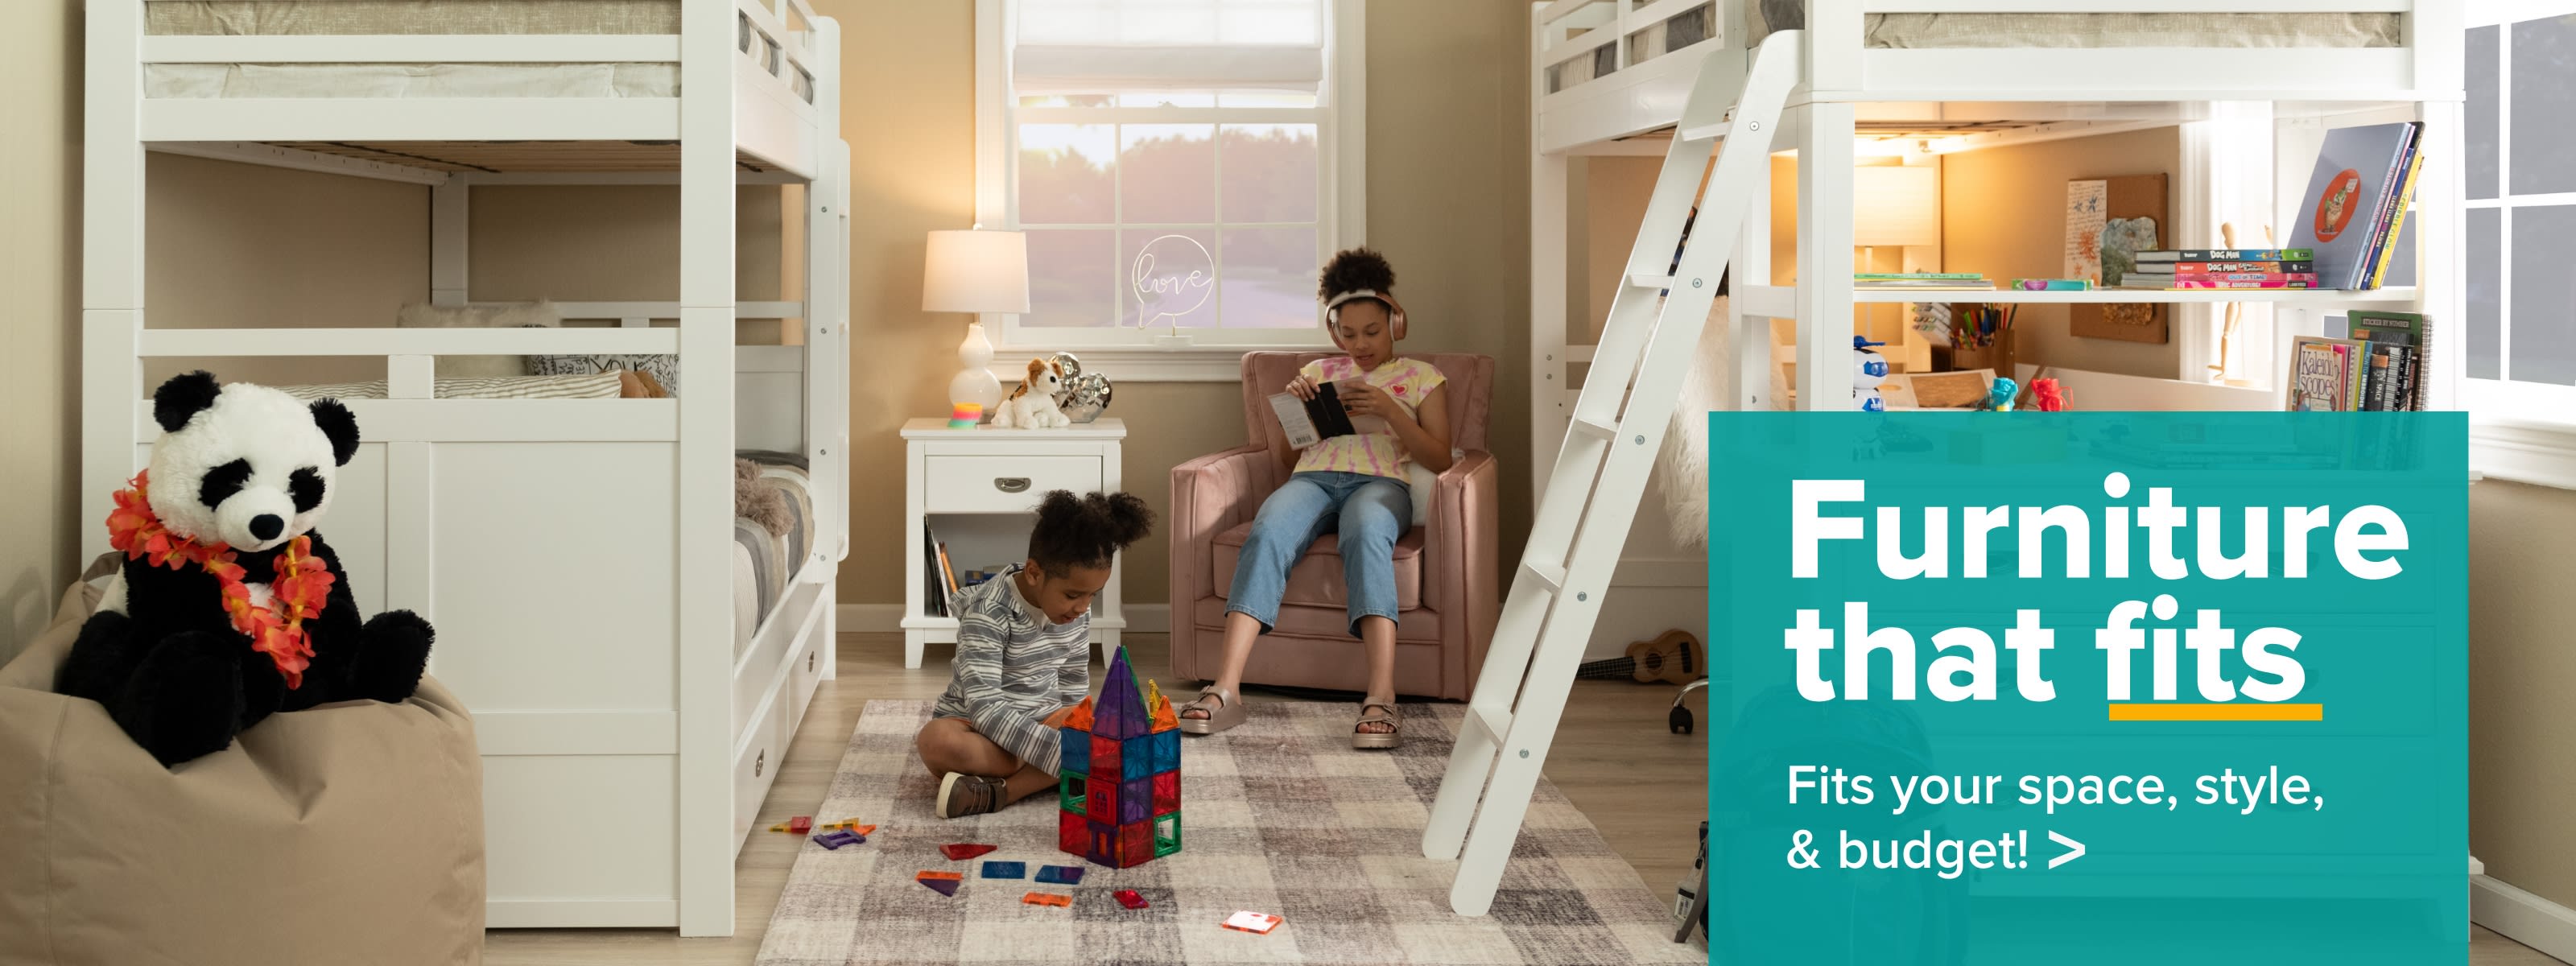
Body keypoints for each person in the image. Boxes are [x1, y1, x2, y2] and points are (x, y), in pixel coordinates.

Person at [1178, 248, 1453, 749]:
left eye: (1371, 331)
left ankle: (1381, 695)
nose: (1360, 344)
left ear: (1396, 321)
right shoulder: (1320, 369)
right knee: (1268, 530)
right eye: (1348, 334)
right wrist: (1299, 410)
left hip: (1380, 485)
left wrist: (1392, 411)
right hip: (1314, 477)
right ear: (1333, 332)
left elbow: (1440, 459)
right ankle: (1226, 689)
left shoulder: (1421, 378)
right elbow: (1288, 458)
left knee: (1367, 531)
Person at [919, 489, 1152, 818]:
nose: (1083, 608)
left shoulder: (1076, 612)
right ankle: (1055, 773)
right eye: (1073, 594)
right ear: (1033, 573)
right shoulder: (989, 614)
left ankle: (1002, 792)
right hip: (979, 727)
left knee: (1122, 724)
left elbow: (1073, 684)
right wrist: (1065, 754)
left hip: (1043, 720)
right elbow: (985, 708)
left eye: (1093, 596)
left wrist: (1082, 733)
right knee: (936, 740)